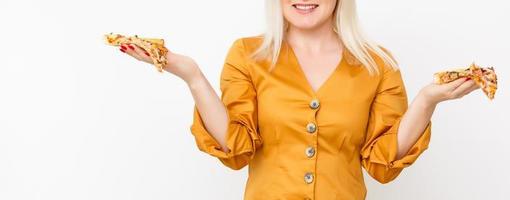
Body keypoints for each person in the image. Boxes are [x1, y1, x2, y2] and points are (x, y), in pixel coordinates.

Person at [117, 0, 479, 199]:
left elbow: (383, 161)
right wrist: (192, 75)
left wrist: (427, 101)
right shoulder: (248, 55)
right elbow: (235, 145)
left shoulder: (377, 64)